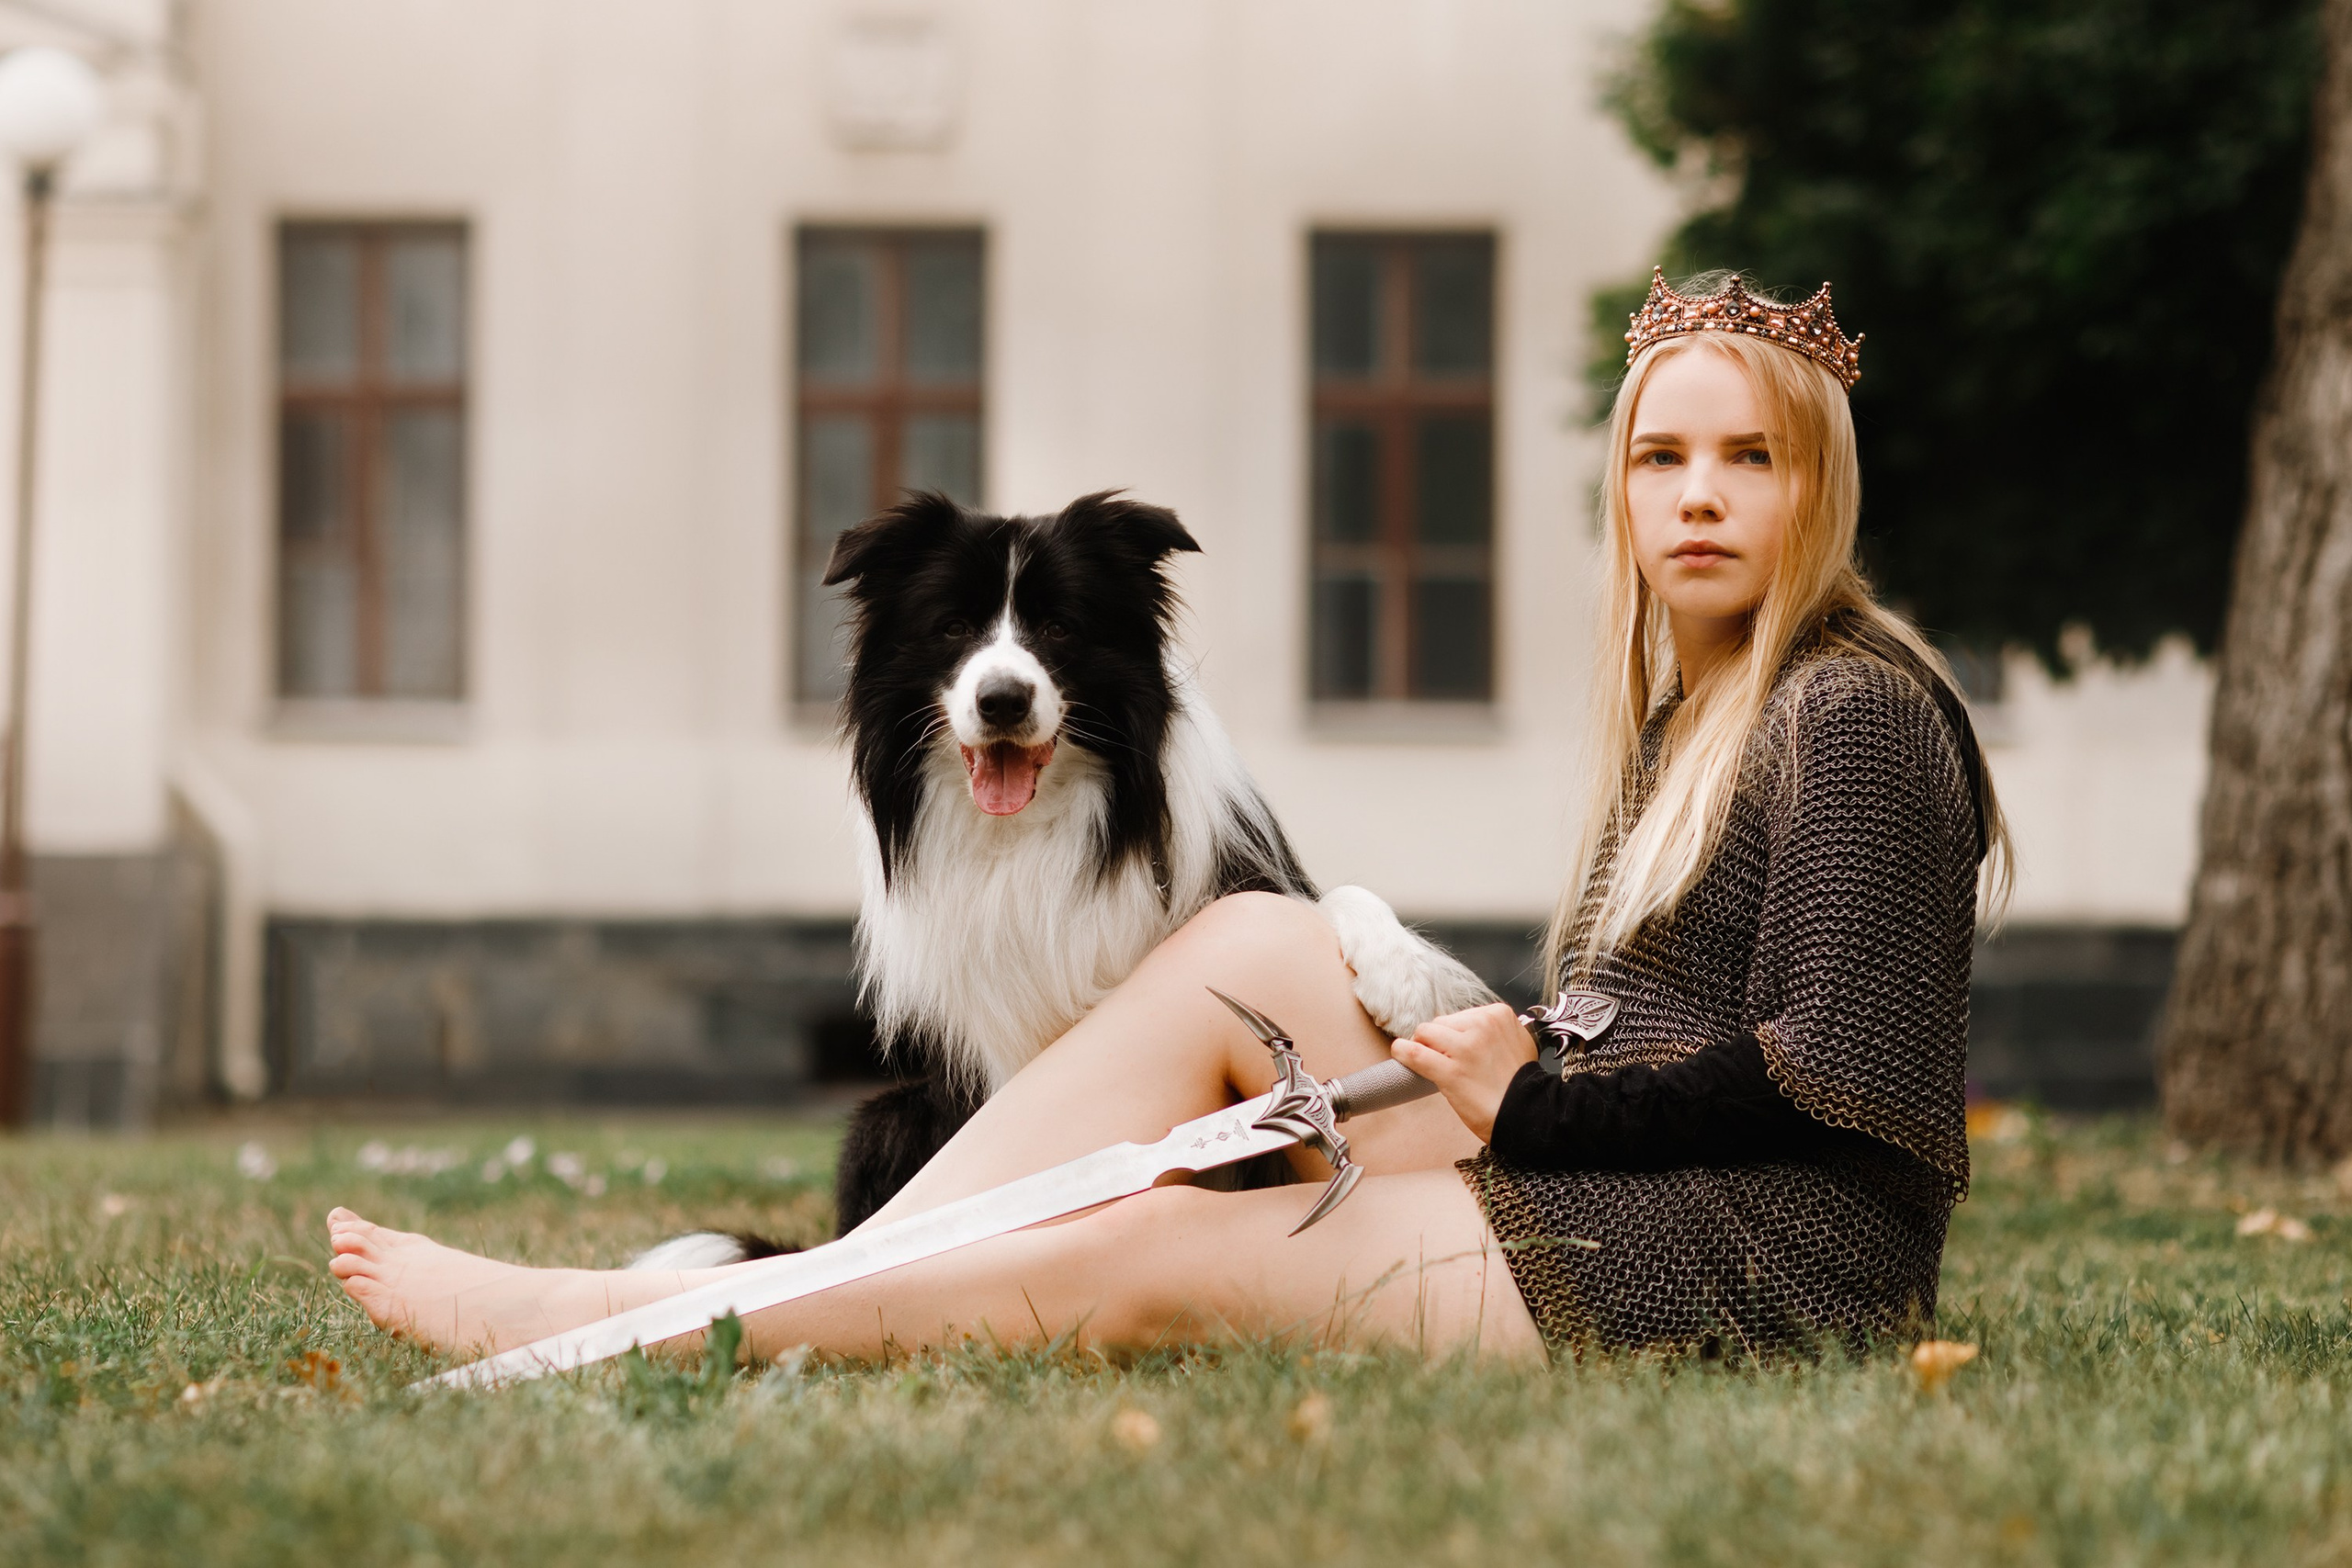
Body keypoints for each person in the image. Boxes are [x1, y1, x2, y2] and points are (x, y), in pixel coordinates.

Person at [327, 271, 2006, 1365]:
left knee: (1152, 1248)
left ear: (1820, 486)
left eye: (1750, 460)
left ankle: (647, 1323)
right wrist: (1518, 1082)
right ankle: (753, 1287)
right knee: (1246, 938)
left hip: (1752, 1262)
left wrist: (1537, 1108)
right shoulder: (1698, 714)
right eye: (1661, 460)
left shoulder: (1850, 709)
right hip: (1604, 1166)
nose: (1698, 496)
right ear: (1622, 492)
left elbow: (1834, 1076)